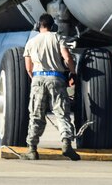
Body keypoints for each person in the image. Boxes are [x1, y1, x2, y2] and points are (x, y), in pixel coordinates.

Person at [22, 13, 80, 161]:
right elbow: (67, 57)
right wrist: (73, 74)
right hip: (56, 78)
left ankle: (32, 149)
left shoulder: (31, 42)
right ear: (52, 26)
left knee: (36, 115)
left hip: (38, 78)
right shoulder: (57, 37)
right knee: (61, 113)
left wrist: (36, 79)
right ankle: (66, 143)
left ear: (38, 26)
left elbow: (28, 68)